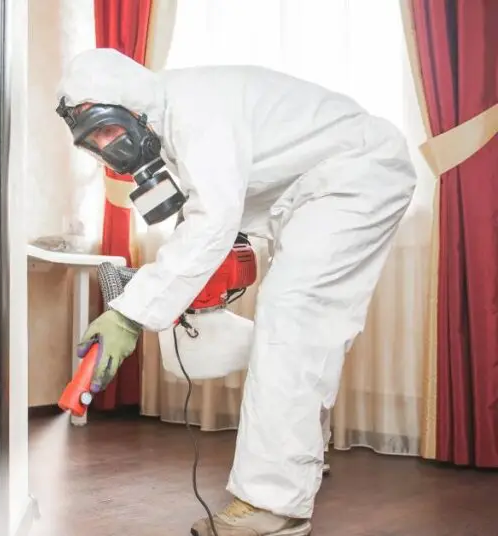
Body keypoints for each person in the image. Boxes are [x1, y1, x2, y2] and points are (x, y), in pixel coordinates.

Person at [56, 48, 416, 536]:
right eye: (94, 140)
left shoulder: (195, 110)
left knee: (292, 319)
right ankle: (294, 461)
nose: (105, 145)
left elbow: (212, 225)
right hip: (305, 194)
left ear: (130, 107)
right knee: (299, 330)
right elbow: (190, 218)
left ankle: (272, 506)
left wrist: (128, 316)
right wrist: (167, 292)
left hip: (354, 175)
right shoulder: (162, 133)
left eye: (106, 129)